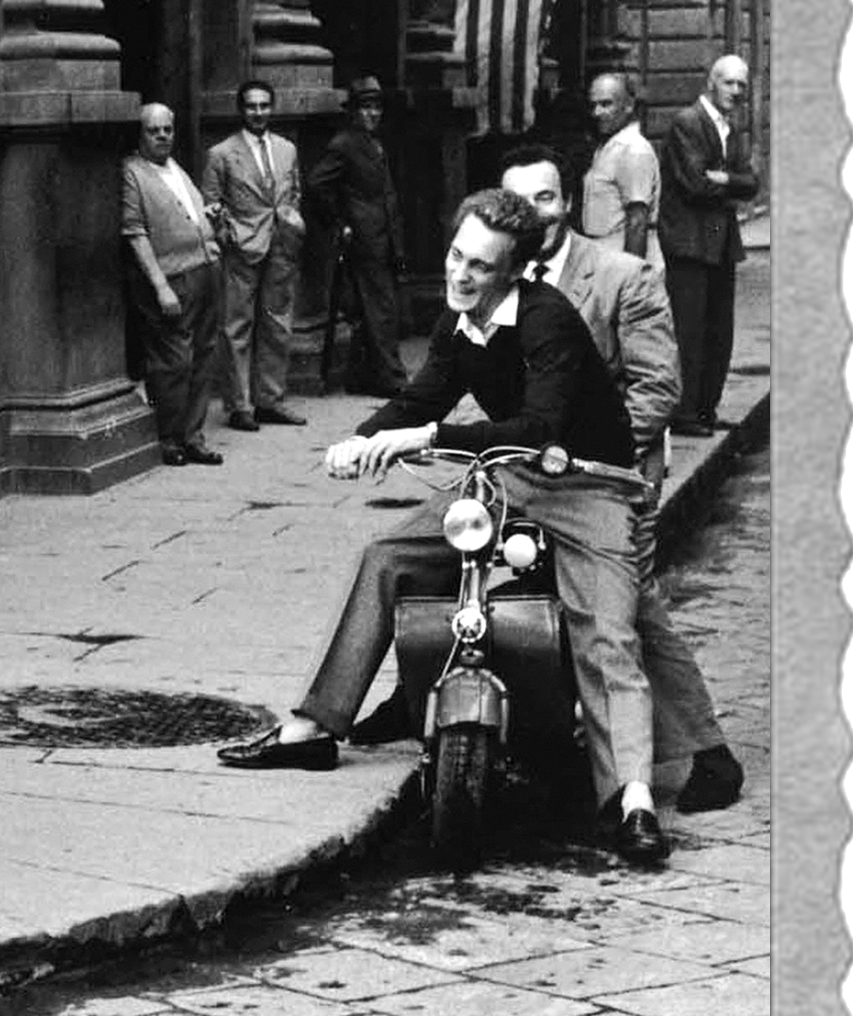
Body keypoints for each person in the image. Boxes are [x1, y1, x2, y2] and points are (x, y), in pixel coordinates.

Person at [213, 187, 670, 866]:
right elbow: (425, 392)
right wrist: (364, 438)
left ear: (514, 271)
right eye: (457, 256)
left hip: (587, 485)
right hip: (507, 479)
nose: (460, 274)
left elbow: (536, 427)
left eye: (480, 266)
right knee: (387, 556)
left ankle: (632, 801)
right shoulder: (458, 319)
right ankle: (313, 727)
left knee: (608, 634)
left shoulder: (546, 319)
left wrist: (426, 437)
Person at [499, 147, 744, 814]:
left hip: (613, 472)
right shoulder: (500, 275)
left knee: (629, 605)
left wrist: (585, 456)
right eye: (518, 202)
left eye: (545, 198)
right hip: (535, 471)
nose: (533, 214)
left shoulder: (620, 275)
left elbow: (657, 386)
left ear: (568, 203)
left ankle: (710, 756)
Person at [658, 54, 761, 436]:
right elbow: (695, 184)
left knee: (719, 331)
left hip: (720, 243)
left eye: (741, 85)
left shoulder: (730, 127)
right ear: (711, 83)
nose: (736, 91)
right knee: (690, 331)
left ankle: (705, 410)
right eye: (729, 82)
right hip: (688, 242)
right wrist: (730, 182)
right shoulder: (688, 122)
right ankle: (685, 413)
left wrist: (725, 179)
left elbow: (752, 184)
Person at [119, 103, 226, 467]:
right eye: (154, 131)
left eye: (167, 129)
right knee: (173, 362)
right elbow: (135, 233)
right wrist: (160, 286)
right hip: (172, 277)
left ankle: (193, 436)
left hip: (206, 269)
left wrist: (207, 217)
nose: (163, 136)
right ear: (140, 135)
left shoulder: (175, 167)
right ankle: (168, 437)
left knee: (204, 355)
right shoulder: (133, 172)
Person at [202, 78, 309, 431]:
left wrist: (291, 224)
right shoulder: (221, 153)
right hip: (242, 249)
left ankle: (270, 400)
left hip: (281, 245)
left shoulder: (287, 149)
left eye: (264, 105)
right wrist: (229, 235)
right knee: (237, 327)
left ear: (272, 108)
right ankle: (240, 406)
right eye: (252, 106)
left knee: (277, 323)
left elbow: (294, 192)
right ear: (241, 110)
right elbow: (211, 204)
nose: (259, 112)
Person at [305, 74, 406, 395]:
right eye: (365, 108)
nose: (373, 114)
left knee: (369, 307)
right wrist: (340, 221)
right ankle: (391, 378)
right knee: (380, 308)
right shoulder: (344, 144)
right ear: (353, 111)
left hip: (383, 235)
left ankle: (362, 377)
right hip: (364, 238)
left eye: (377, 107)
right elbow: (317, 184)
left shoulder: (374, 142)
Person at [579, 71, 660, 259]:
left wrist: (631, 272)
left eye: (606, 104)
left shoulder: (633, 149)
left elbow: (637, 221)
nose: (597, 112)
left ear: (629, 106)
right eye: (593, 105)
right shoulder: (608, 145)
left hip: (620, 255)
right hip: (602, 253)